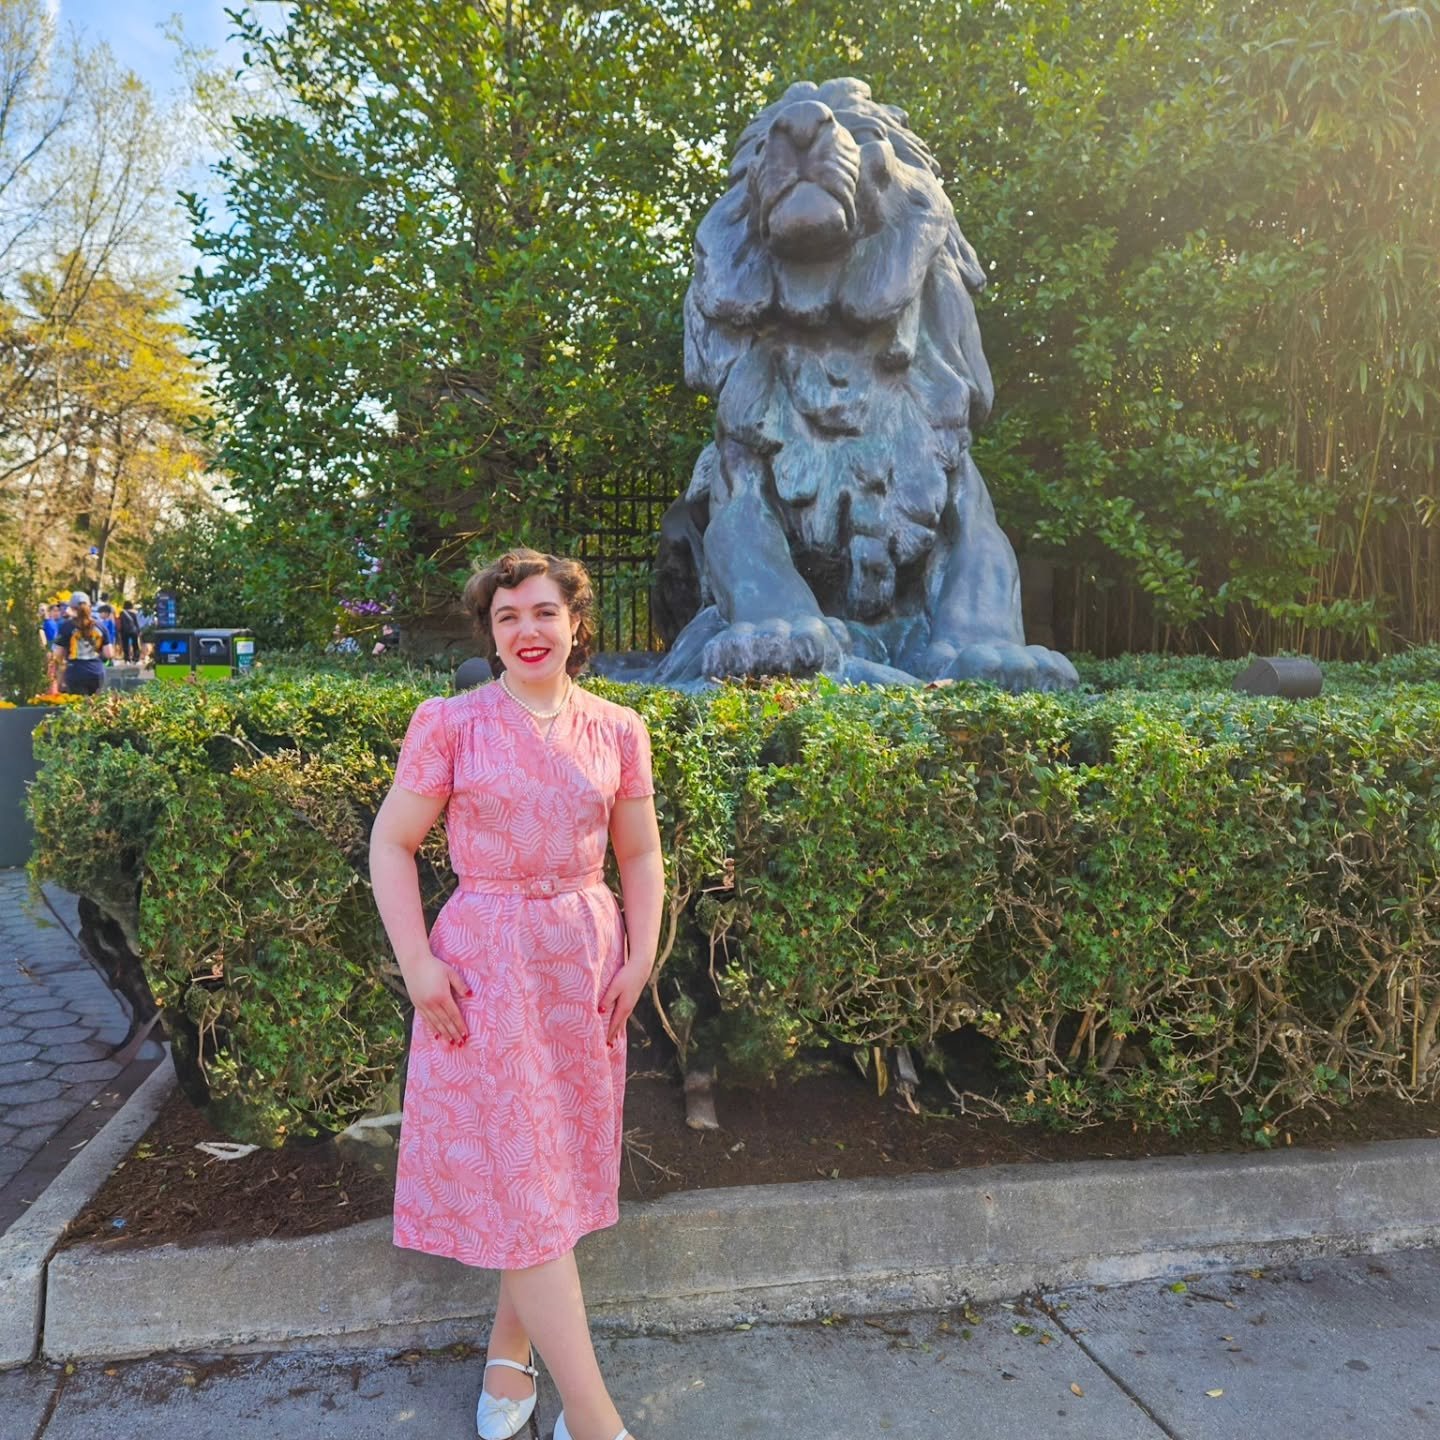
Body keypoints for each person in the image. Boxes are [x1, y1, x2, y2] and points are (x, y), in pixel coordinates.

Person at [369, 549, 663, 1440]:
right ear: (490, 634)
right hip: (486, 970)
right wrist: (418, 964)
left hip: (581, 966)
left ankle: (510, 1346)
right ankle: (596, 1419)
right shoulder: (450, 724)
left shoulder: (618, 728)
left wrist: (640, 957)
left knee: (549, 1169)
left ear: (576, 624)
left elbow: (641, 855)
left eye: (543, 613)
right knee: (527, 1176)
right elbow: (392, 846)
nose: (527, 631)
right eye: (507, 618)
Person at [52, 592, 113, 695]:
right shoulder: (100, 626)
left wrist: (58, 677)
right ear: (89, 606)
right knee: (95, 706)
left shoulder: (66, 626)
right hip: (96, 671)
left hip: (75, 671)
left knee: (77, 705)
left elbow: (58, 655)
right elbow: (109, 654)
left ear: (72, 607)